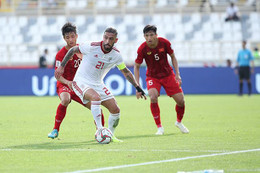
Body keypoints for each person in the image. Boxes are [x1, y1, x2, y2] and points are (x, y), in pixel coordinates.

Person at [55, 27, 146, 142]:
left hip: (98, 84)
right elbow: (72, 50)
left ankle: (110, 135)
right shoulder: (91, 47)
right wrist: (62, 66)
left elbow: (125, 71)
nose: (107, 41)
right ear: (103, 37)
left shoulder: (116, 55)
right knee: (95, 97)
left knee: (115, 109)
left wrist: (137, 87)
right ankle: (100, 131)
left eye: (111, 39)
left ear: (115, 41)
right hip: (81, 81)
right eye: (105, 38)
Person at [48, 22, 105, 139]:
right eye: (67, 37)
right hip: (65, 84)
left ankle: (101, 131)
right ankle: (55, 129)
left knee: (96, 106)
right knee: (65, 99)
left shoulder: (83, 49)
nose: (70, 40)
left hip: (80, 86)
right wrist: (68, 82)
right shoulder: (60, 54)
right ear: (64, 38)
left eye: (72, 36)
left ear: (77, 36)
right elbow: (57, 76)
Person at [134, 25, 189, 135]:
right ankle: (159, 127)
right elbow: (136, 66)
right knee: (153, 97)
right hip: (152, 77)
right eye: (147, 35)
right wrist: (137, 86)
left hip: (168, 75)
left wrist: (177, 74)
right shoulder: (142, 48)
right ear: (144, 36)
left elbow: (173, 57)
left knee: (181, 101)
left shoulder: (164, 43)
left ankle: (179, 122)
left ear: (156, 35)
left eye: (151, 35)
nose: (149, 38)